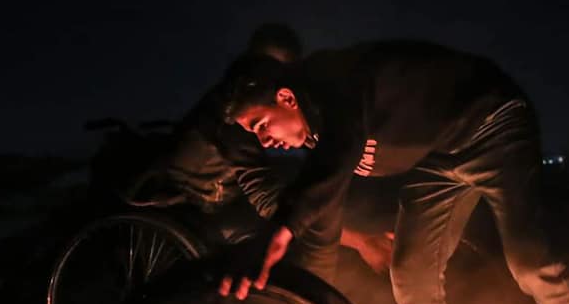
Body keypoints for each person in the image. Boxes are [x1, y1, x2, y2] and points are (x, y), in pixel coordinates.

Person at [217, 40, 569, 304]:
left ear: (286, 97)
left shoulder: (333, 83)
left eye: (261, 124)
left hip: (491, 124)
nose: (264, 140)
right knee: (410, 276)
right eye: (255, 134)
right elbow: (324, 206)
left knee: (530, 264)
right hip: (437, 161)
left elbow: (336, 157)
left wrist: (278, 232)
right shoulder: (314, 130)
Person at [158, 23, 393, 271]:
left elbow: (322, 166)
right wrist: (358, 240)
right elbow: (268, 199)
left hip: (226, 189)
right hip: (200, 202)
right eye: (270, 72)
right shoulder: (235, 114)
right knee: (285, 229)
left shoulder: (258, 99)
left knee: (302, 183)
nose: (279, 83)